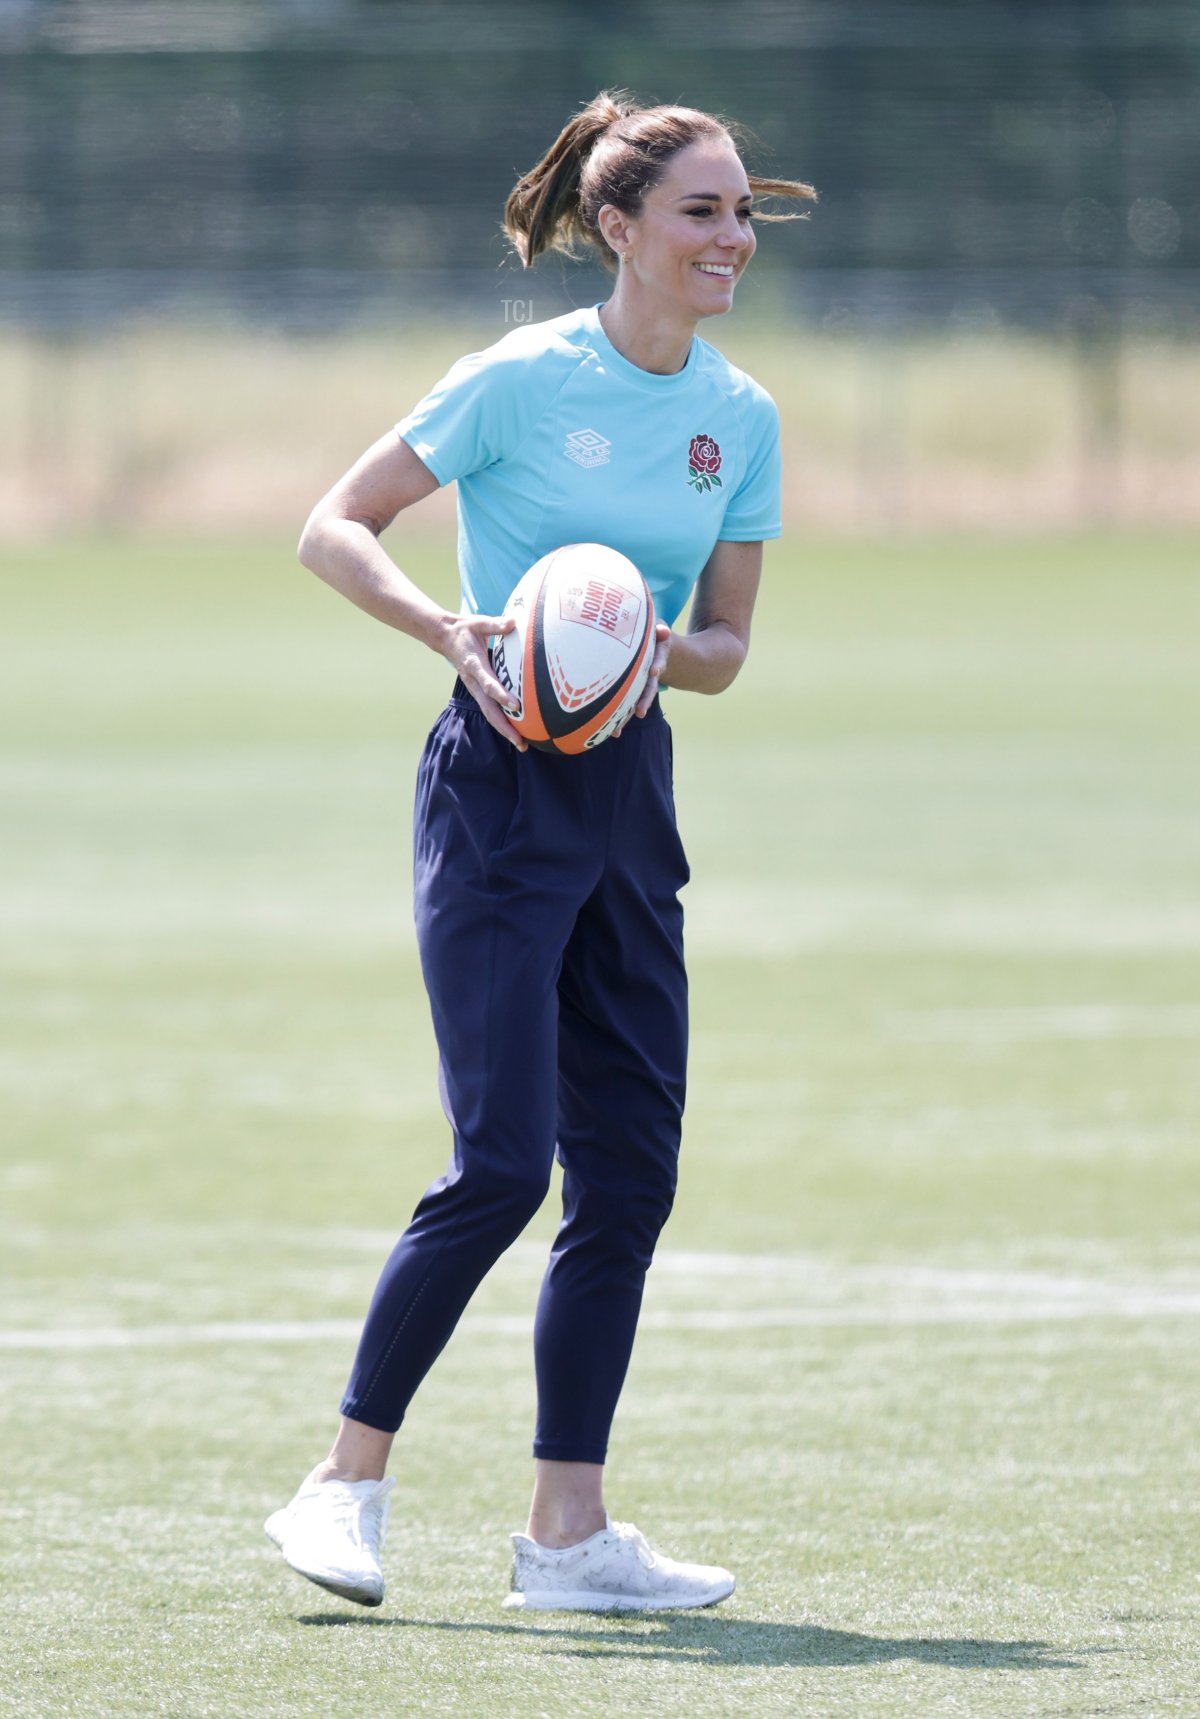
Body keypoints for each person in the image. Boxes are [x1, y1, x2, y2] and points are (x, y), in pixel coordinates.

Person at [265, 90, 815, 1614]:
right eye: (701, 211)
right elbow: (334, 525)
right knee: (505, 1161)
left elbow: (724, 646)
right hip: (499, 784)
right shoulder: (517, 379)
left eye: (742, 211)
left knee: (629, 1175)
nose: (732, 239)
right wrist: (456, 633)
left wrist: (651, 651)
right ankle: (343, 1487)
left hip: (631, 790)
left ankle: (567, 1538)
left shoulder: (743, 418)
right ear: (617, 227)